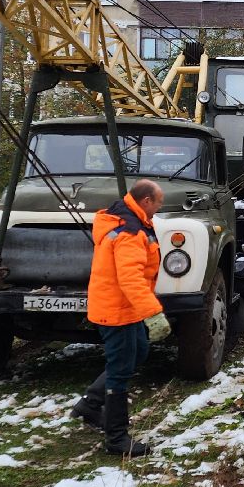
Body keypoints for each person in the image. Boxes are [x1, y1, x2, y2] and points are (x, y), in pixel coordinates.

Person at [70, 178, 170, 456]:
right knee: (120, 370)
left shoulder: (130, 221)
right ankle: (116, 439)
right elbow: (130, 279)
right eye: (158, 202)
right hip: (119, 310)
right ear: (146, 201)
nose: (160, 207)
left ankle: (90, 404)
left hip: (123, 307)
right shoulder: (129, 232)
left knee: (137, 351)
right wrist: (154, 313)